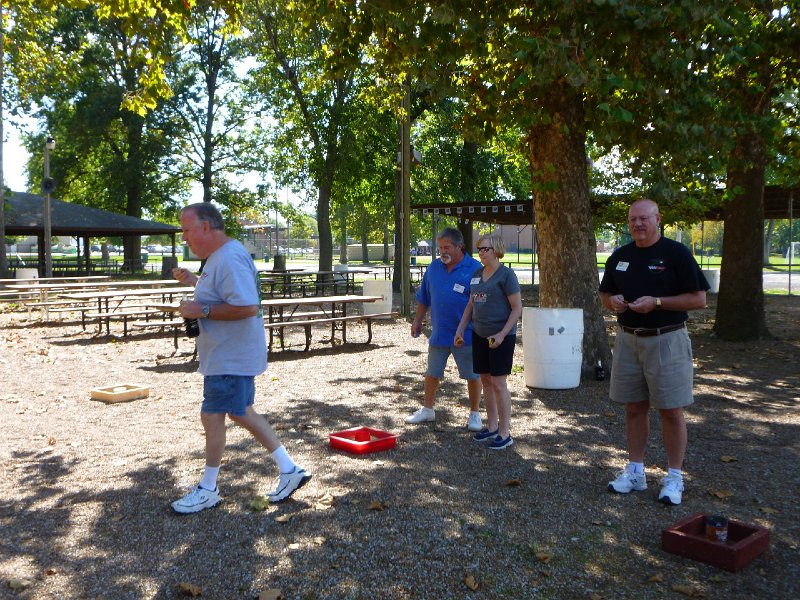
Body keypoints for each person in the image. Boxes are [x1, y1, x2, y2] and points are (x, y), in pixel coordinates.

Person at [170, 202, 311, 514]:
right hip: (229, 354)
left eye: (187, 229)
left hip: (230, 356)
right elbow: (225, 293)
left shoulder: (229, 258)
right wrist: (195, 283)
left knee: (215, 414)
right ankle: (289, 470)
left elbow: (246, 306)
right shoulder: (220, 257)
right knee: (240, 411)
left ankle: (209, 488)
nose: (185, 237)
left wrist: (201, 310)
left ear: (206, 227)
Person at [599, 199, 708, 505]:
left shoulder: (676, 254)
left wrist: (658, 302)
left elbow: (699, 299)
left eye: (644, 219)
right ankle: (635, 472)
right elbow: (605, 293)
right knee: (634, 407)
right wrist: (613, 302)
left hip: (667, 339)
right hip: (628, 339)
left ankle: (674, 477)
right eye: (633, 219)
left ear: (658, 219)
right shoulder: (620, 256)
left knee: (671, 410)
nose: (638, 224)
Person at [406, 228, 483, 431]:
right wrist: (418, 320)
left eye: (447, 247)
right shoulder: (433, 268)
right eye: (440, 248)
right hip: (439, 333)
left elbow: (481, 302)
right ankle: (428, 410)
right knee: (432, 373)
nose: (443, 251)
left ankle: (475, 413)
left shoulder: (475, 269)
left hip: (465, 335)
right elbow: (424, 298)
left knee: (473, 375)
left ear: (460, 247)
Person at [454, 234, 522, 450]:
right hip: (479, 335)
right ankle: (491, 426)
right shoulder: (476, 275)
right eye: (479, 249)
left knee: (498, 383)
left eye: (486, 249)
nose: (481, 253)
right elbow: (471, 304)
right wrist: (461, 328)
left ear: (497, 250)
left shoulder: (506, 275)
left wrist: (502, 334)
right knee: (485, 380)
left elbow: (517, 308)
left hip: (500, 336)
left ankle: (505, 432)